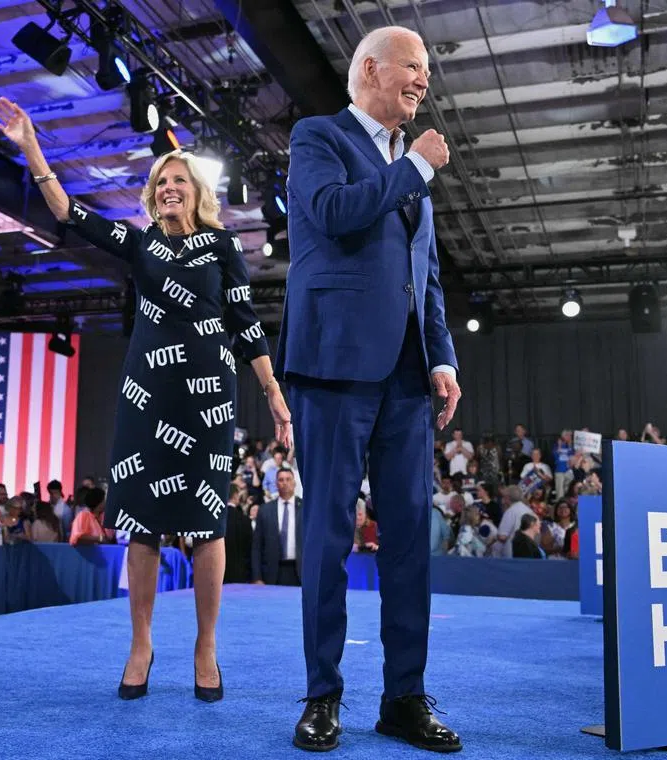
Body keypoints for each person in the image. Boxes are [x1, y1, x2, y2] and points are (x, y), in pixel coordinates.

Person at [0, 95, 291, 704]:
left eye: (180, 179)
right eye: (161, 181)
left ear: (198, 191)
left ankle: (206, 646)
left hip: (208, 396)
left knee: (208, 525)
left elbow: (246, 322)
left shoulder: (223, 247)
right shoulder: (141, 244)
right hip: (146, 394)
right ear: (152, 195)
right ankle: (142, 643)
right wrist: (30, 146)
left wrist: (274, 394)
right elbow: (70, 211)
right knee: (143, 526)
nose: (169, 187)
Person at [278, 25, 461, 753]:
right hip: (332, 368)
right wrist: (413, 170)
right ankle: (323, 696)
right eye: (413, 67)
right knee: (327, 539)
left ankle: (404, 698)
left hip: (409, 378)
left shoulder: (409, 165)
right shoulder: (318, 137)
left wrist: (442, 356)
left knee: (411, 541)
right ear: (371, 70)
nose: (423, 81)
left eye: (426, 71)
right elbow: (331, 215)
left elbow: (428, 277)